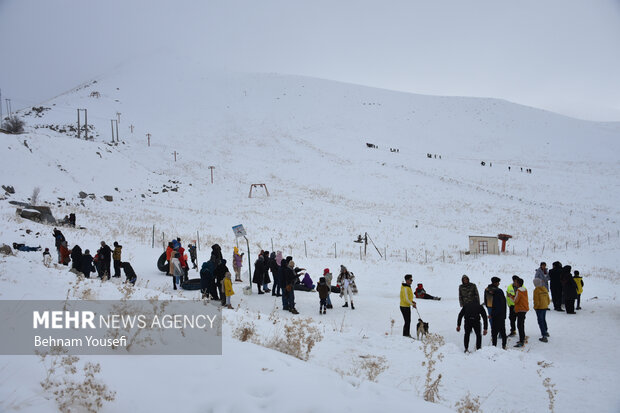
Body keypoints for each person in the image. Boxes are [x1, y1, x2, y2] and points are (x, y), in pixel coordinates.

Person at [490, 278, 507, 349]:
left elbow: (497, 306)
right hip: (502, 315)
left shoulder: (497, 293)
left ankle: (494, 347)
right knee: (503, 331)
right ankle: (504, 346)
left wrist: (492, 315)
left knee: (494, 333)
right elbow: (504, 304)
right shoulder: (500, 291)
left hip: (497, 316)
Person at [513, 277, 529, 348]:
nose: (514, 283)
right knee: (521, 324)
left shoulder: (518, 291)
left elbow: (515, 300)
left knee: (520, 325)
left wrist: (511, 297)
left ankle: (521, 341)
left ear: (518, 283)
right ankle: (522, 338)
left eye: (516, 282)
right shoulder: (525, 290)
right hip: (524, 308)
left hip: (520, 309)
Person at [533, 278, 550, 342]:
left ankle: (544, 335)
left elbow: (536, 300)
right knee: (543, 319)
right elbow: (548, 298)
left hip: (539, 308)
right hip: (545, 306)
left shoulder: (536, 290)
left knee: (540, 321)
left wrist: (535, 307)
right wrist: (547, 304)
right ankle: (546, 331)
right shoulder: (544, 289)